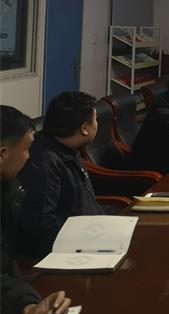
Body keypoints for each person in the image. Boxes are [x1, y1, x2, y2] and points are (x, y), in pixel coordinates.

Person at [1, 106, 71, 314]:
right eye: (27, 149)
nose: (29, 157)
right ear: (2, 154)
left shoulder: (8, 190)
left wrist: (28, 308)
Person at [18, 93, 104, 258]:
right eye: (96, 120)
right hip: (70, 251)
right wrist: (87, 244)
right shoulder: (44, 162)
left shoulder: (67, 148)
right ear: (84, 128)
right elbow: (43, 225)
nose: (97, 124)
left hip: (91, 233)